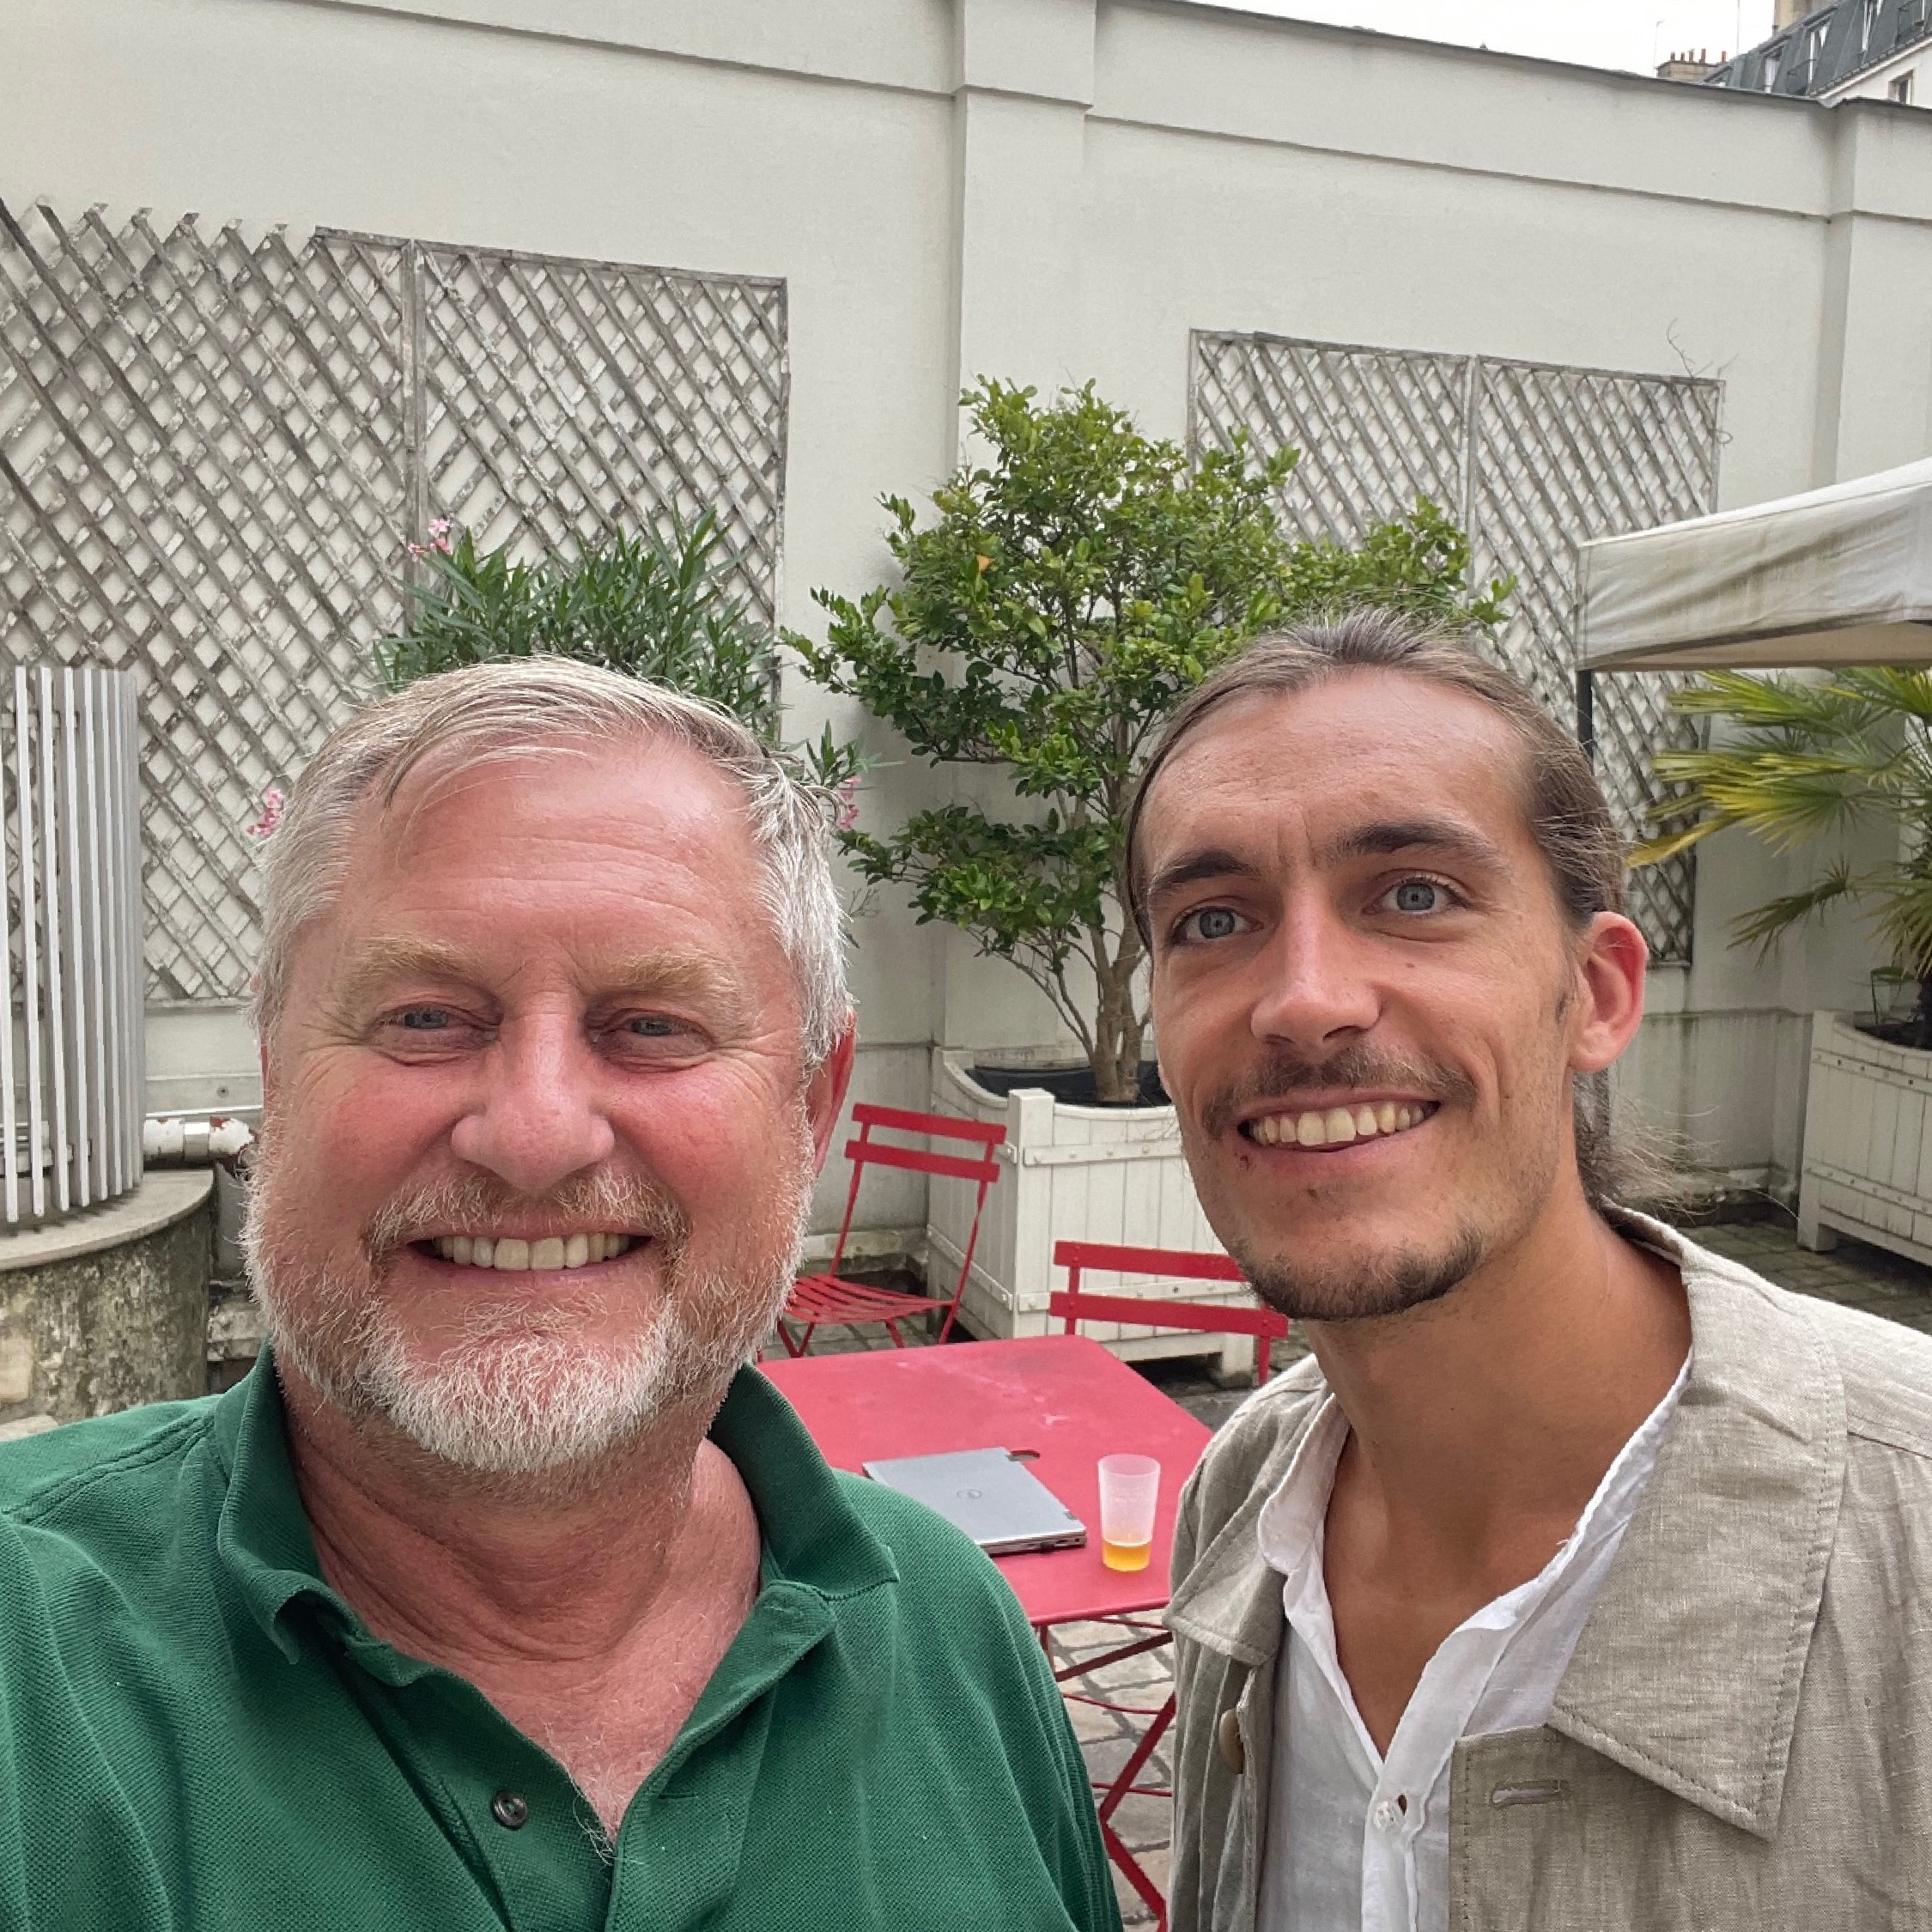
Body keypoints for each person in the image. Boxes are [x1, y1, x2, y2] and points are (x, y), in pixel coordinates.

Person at [0, 660, 1121, 1932]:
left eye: (651, 1025)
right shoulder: (25, 1671)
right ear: (275, 1070)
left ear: (812, 1105)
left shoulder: (951, 1631)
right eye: (425, 1016)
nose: (533, 1134)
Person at [1129, 612, 1932, 1931]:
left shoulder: (1903, 1537)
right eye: (1213, 919)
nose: (1303, 999)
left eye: (1414, 894)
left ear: (1600, 992)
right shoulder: (1242, 1502)